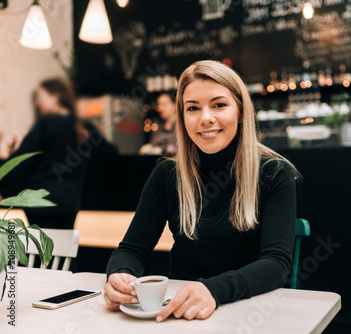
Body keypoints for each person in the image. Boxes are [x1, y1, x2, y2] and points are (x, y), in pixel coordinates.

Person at [104, 60, 299, 322]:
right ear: (183, 118)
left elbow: (276, 264)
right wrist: (120, 275)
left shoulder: (274, 173)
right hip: (181, 314)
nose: (206, 118)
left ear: (241, 111)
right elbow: (132, 250)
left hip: (252, 312)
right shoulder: (166, 175)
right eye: (193, 108)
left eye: (219, 105)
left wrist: (213, 290)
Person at [0, 78, 119, 229]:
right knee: (62, 248)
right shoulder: (84, 126)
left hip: (40, 200)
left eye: (40, 97)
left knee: (42, 249)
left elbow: (21, 161)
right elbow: (110, 154)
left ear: (55, 96)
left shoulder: (46, 124)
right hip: (70, 201)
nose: (37, 103)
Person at [139, 90, 177, 155]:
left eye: (164, 105)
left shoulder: (182, 127)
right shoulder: (157, 127)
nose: (160, 108)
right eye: (159, 105)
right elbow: (152, 146)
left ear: (175, 105)